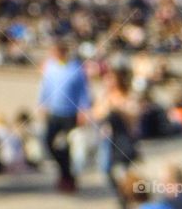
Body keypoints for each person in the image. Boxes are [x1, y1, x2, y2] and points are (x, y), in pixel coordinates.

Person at [38, 41, 91, 192]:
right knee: (49, 141)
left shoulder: (76, 68)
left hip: (70, 114)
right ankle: (65, 172)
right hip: (54, 112)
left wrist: (84, 110)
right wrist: (42, 103)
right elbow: (45, 86)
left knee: (68, 146)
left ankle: (68, 178)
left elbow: (83, 91)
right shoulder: (50, 67)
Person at [93, 69, 140, 209]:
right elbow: (96, 114)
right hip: (107, 140)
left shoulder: (127, 96)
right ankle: (120, 193)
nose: (109, 83)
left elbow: (134, 117)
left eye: (111, 79)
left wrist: (119, 110)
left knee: (124, 172)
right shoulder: (104, 96)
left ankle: (126, 197)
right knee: (105, 169)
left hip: (123, 138)